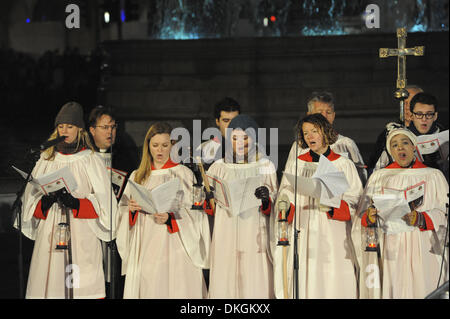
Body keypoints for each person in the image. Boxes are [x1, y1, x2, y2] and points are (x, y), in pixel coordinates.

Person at [17, 102, 117, 299]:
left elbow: (106, 203)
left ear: (79, 129)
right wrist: (43, 204)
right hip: (51, 232)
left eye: (69, 126)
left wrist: (77, 203)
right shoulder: (46, 159)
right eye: (61, 126)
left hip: (81, 233)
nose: (64, 130)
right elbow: (29, 200)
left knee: (79, 287)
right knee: (51, 284)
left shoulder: (90, 159)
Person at [352, 126, 448, 299]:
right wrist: (370, 216)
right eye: (395, 145)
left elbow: (445, 211)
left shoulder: (433, 176)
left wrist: (422, 218)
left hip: (424, 246)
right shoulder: (379, 177)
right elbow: (363, 216)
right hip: (391, 247)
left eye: (405, 143)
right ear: (390, 151)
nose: (400, 148)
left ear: (414, 147)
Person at [116, 122, 210, 298]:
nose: (159, 151)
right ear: (148, 146)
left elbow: (195, 212)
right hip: (145, 242)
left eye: (165, 146)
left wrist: (170, 218)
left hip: (175, 243)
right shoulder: (138, 175)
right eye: (155, 145)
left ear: (173, 146)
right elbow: (121, 212)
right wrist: (132, 210)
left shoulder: (183, 173)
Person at [274, 113, 362, 299]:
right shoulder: (297, 164)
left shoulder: (343, 164)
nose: (310, 137)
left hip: (334, 231)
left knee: (334, 280)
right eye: (306, 133)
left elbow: (355, 200)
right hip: (305, 230)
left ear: (325, 131)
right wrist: (285, 207)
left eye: (315, 131)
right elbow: (285, 197)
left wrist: (333, 207)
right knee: (308, 277)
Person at [203, 114, 278, 299]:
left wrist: (267, 199)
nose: (241, 142)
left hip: (254, 230)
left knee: (254, 279)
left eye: (246, 137)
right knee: (226, 275)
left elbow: (275, 202)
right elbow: (209, 208)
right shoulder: (218, 167)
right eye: (235, 137)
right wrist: (208, 198)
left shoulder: (265, 165)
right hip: (225, 229)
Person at [88, 105, 139, 298]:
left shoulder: (125, 154)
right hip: (91, 226)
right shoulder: (85, 157)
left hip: (118, 225)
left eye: (113, 127)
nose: (110, 132)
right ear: (92, 130)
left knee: (116, 281)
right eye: (105, 127)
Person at [286, 91, 367, 185]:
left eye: (328, 112)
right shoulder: (299, 146)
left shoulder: (346, 143)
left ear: (333, 115)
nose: (324, 116)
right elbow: (289, 176)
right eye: (319, 112)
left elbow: (360, 178)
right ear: (309, 115)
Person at [368, 85, 423, 172]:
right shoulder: (389, 133)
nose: (408, 107)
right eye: (405, 103)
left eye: (413, 103)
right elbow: (374, 165)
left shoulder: (437, 131)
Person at [407, 92, 447, 174]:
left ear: (435, 116)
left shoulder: (446, 138)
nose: (424, 119)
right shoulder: (401, 137)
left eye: (429, 114)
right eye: (419, 114)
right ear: (411, 116)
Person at [196, 97, 240, 169]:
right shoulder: (204, 149)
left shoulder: (252, 148)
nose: (231, 125)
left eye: (235, 120)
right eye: (226, 121)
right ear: (217, 122)